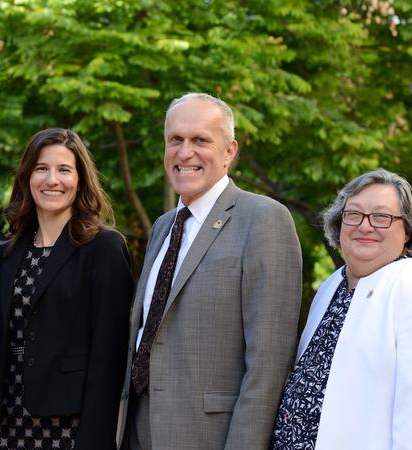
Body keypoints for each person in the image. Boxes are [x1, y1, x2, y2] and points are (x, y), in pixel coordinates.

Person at [121, 92, 303, 450]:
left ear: (230, 151)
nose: (185, 152)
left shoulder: (263, 219)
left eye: (200, 140)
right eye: (175, 140)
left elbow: (268, 362)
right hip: (137, 431)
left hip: (209, 437)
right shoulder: (163, 226)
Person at [271, 169, 412, 450]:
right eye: (354, 214)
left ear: (407, 231)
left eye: (381, 217)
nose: (364, 226)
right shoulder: (330, 286)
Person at [0, 128, 133, 450]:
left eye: (64, 170)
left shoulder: (104, 248)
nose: (52, 180)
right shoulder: (4, 255)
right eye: (41, 168)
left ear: (80, 179)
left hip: (69, 431)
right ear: (27, 177)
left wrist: (94, 439)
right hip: (5, 427)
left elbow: (110, 356)